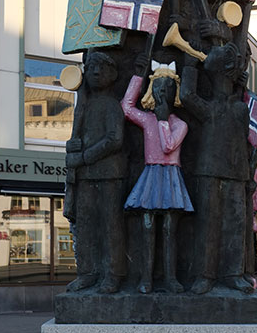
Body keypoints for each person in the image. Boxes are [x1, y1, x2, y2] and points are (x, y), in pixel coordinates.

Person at [180, 43, 253, 294]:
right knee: (208, 225)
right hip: (209, 170)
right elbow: (187, 95)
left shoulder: (239, 108)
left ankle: (232, 274)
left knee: (234, 224)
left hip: (235, 173)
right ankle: (205, 275)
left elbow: (245, 144)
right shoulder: (213, 107)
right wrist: (190, 64)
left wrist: (248, 177)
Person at [121, 61, 193, 294]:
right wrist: (138, 77)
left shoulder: (179, 124)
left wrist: (162, 120)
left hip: (171, 178)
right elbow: (126, 107)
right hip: (151, 177)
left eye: (168, 89)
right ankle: (146, 278)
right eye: (160, 88)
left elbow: (168, 146)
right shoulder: (146, 120)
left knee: (170, 231)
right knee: (148, 228)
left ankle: (171, 278)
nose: (163, 93)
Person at [64, 51, 127, 293]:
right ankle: (87, 272)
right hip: (86, 176)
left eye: (102, 68)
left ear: (113, 74)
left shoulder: (111, 105)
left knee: (110, 225)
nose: (97, 72)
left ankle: (112, 274)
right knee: (86, 225)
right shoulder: (84, 106)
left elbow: (115, 139)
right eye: (91, 68)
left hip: (109, 173)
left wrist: (84, 157)